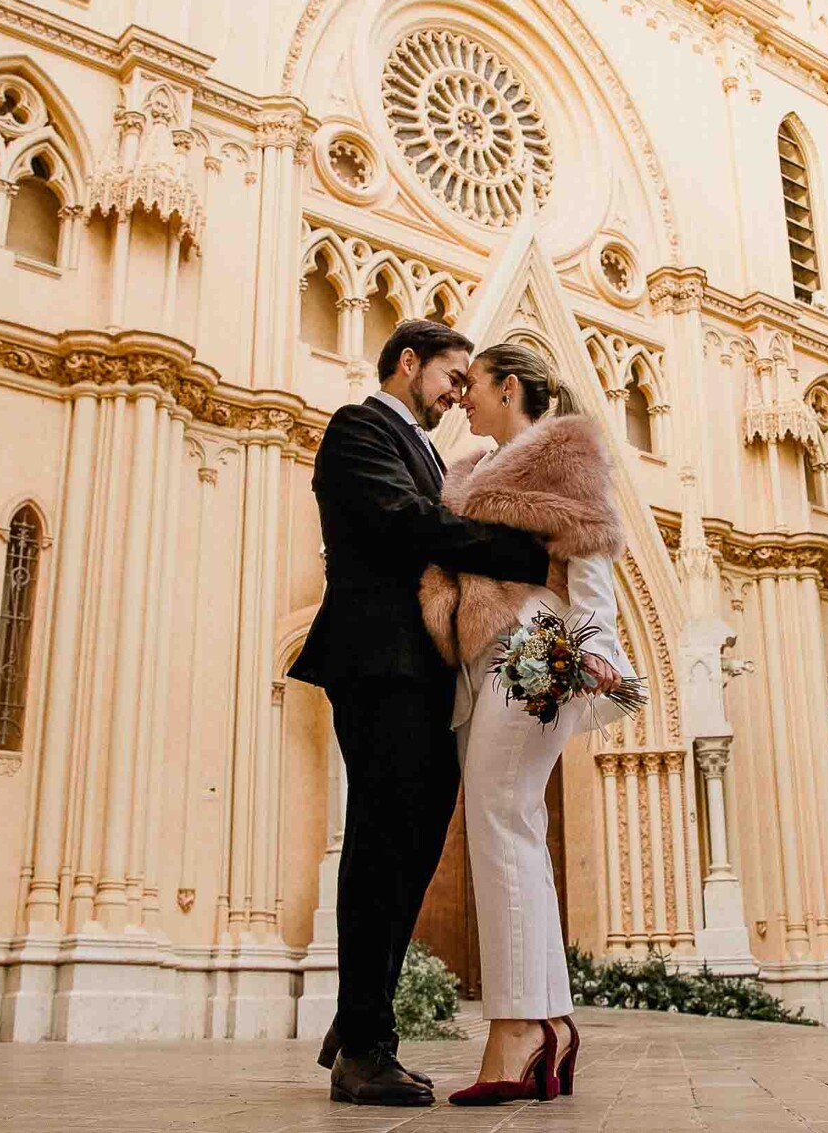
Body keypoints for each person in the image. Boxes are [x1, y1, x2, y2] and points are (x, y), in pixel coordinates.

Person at [288, 320, 551, 1107]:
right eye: (451, 373)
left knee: (409, 851)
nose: (459, 390)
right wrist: (524, 555)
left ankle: (357, 1014)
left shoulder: (431, 451)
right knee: (379, 849)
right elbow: (406, 525)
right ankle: (365, 1047)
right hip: (379, 662)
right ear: (409, 362)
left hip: (424, 672)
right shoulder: (359, 428)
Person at [419, 342, 636, 1106]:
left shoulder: (564, 455)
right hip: (491, 663)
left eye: (473, 385)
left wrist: (597, 653)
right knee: (513, 831)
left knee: (500, 825)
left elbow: (592, 563)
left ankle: (515, 1034)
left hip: (533, 651)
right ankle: (549, 1021)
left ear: (509, 387)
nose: (463, 400)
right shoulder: (472, 471)